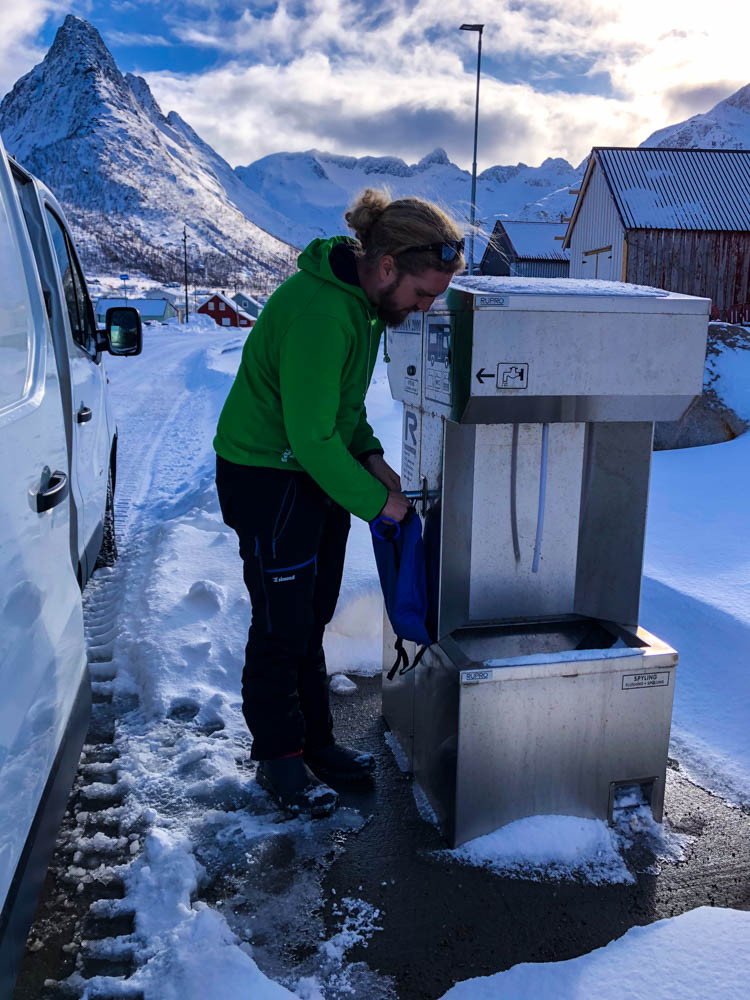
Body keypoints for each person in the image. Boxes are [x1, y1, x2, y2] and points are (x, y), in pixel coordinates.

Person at [214, 188, 465, 817]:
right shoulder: (324, 315)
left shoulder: (363, 306)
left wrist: (378, 465)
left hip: (309, 473)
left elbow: (343, 415)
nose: (426, 305)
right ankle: (280, 762)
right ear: (387, 268)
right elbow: (311, 434)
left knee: (311, 614)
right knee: (281, 626)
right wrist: (381, 507)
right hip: (269, 477)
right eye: (422, 292)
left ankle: (316, 745)